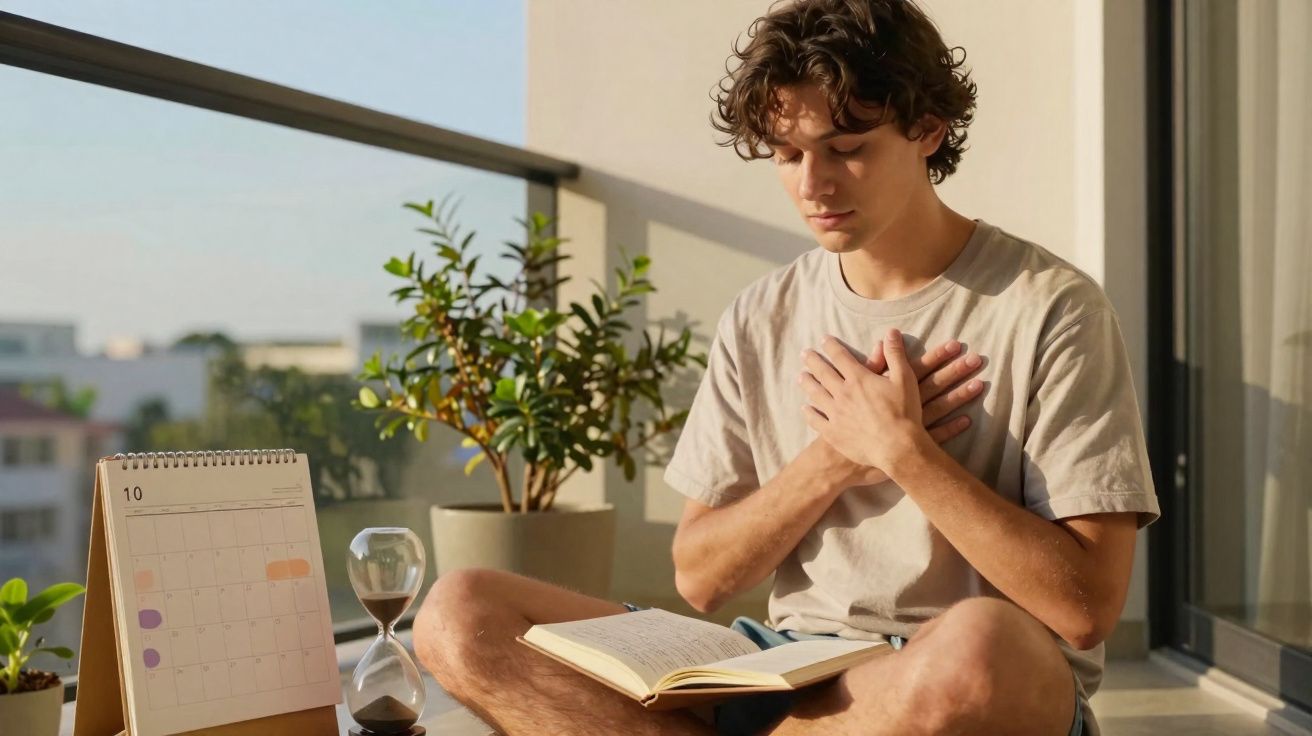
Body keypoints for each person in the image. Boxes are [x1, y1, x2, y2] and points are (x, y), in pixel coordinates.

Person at [413, 1, 1160, 734]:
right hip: (780, 667)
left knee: (980, 649)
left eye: (847, 148)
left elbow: (1086, 610)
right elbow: (700, 577)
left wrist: (904, 452)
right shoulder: (760, 315)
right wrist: (832, 462)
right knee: (459, 613)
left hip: (945, 678)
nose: (813, 185)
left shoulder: (1052, 308)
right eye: (788, 154)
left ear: (927, 129)